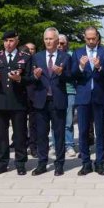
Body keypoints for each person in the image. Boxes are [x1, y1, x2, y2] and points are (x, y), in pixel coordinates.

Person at [28, 28, 72, 176]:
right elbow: (30, 79)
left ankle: (59, 164)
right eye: (46, 39)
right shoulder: (37, 57)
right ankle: (42, 163)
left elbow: (71, 77)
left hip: (58, 100)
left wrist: (62, 73)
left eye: (51, 39)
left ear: (57, 40)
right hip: (41, 100)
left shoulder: (65, 57)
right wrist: (35, 76)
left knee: (59, 133)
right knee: (41, 133)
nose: (48, 41)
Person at [0, 31, 32, 175]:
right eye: (6, 41)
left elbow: (31, 79)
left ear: (17, 41)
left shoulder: (24, 57)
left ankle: (20, 163)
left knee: (20, 134)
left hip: (18, 101)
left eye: (11, 40)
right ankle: (2, 162)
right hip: (0, 101)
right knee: (1, 134)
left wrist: (19, 79)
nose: (8, 43)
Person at [72, 27, 104, 175]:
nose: (90, 41)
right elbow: (72, 74)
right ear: (84, 38)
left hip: (99, 96)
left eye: (93, 38)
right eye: (88, 38)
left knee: (101, 131)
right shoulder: (77, 53)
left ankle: (100, 163)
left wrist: (99, 67)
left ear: (97, 38)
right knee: (83, 131)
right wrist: (81, 67)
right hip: (83, 97)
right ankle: (86, 163)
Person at [55, 34, 77, 157]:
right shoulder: (52, 55)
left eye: (62, 43)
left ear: (67, 43)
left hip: (69, 90)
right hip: (55, 90)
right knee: (56, 120)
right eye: (58, 42)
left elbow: (74, 74)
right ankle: (55, 144)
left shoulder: (71, 56)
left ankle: (69, 145)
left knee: (68, 121)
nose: (59, 45)